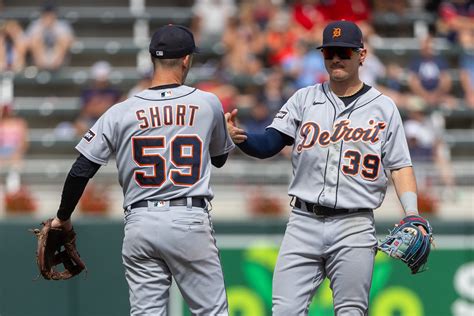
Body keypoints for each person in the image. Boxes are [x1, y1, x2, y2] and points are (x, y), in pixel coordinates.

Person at [226, 20, 428, 315]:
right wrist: (242, 139)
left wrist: (412, 213)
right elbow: (270, 143)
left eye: (344, 52)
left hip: (354, 225)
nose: (336, 58)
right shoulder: (304, 99)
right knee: (284, 310)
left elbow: (399, 166)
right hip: (303, 222)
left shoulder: (383, 107)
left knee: (351, 311)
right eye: (329, 51)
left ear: (361, 55)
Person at [49, 25, 234, 315]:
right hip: (189, 219)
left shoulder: (120, 110)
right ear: (186, 60)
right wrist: (225, 131)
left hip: (140, 222)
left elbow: (81, 170)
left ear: (152, 58)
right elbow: (219, 159)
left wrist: (62, 217)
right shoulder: (207, 103)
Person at [26, 3, 74, 70]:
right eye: (46, 13)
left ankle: (53, 65)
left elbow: (69, 41)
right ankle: (42, 65)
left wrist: (53, 28)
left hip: (57, 58)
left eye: (50, 13)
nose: (48, 16)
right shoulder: (36, 25)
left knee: (64, 39)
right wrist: (42, 29)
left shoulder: (61, 25)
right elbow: (28, 43)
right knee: (35, 39)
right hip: (39, 58)